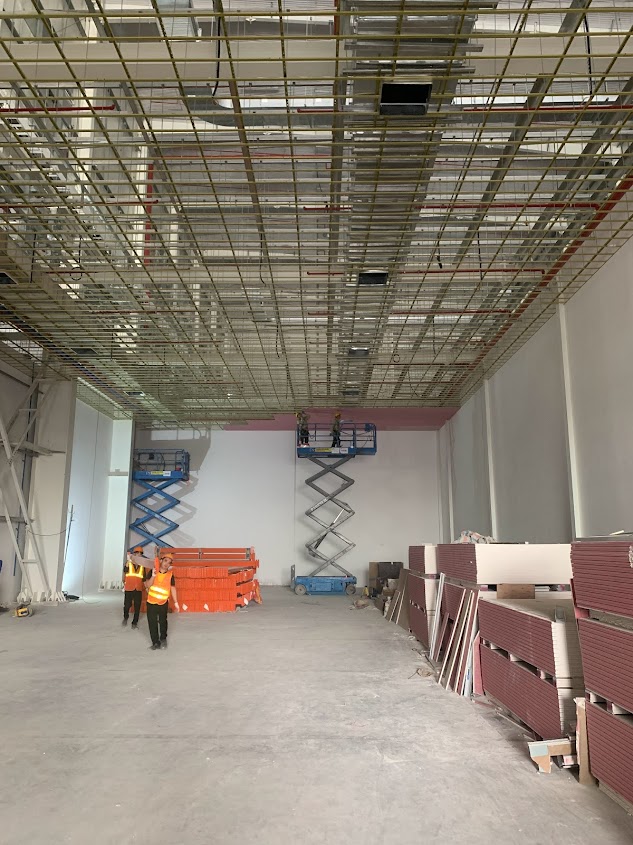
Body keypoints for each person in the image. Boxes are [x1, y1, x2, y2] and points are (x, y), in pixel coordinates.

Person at [145, 552, 179, 650]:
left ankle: (163, 639)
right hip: (151, 602)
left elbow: (172, 588)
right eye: (165, 561)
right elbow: (147, 585)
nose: (166, 564)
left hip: (163, 602)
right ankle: (155, 642)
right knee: (152, 622)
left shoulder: (170, 575)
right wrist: (153, 576)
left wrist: (176, 602)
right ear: (161, 561)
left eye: (169, 562)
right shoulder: (152, 572)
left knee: (163, 621)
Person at [122, 546, 149, 629]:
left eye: (140, 554)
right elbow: (125, 570)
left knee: (137, 607)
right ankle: (125, 617)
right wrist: (128, 560)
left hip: (138, 589)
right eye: (137, 553)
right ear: (134, 554)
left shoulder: (142, 566)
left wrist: (147, 588)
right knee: (127, 605)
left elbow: (144, 579)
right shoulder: (128, 563)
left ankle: (135, 622)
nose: (139, 555)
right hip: (129, 588)